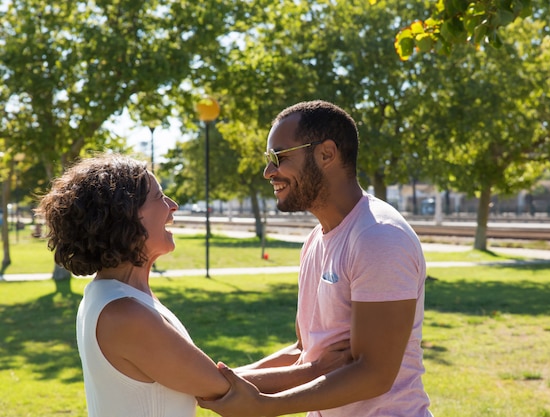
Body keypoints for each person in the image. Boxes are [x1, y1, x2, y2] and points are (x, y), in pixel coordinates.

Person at [200, 100, 433, 416]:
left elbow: (374, 374)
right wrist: (212, 382)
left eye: (279, 157)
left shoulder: (379, 237)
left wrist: (266, 406)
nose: (269, 171)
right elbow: (305, 352)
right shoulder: (315, 240)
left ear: (326, 154)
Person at [35, 154, 231, 417]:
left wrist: (301, 360)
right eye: (160, 197)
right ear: (126, 215)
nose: (173, 206)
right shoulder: (125, 314)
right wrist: (305, 377)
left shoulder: (110, 294)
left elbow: (200, 378)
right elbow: (223, 388)